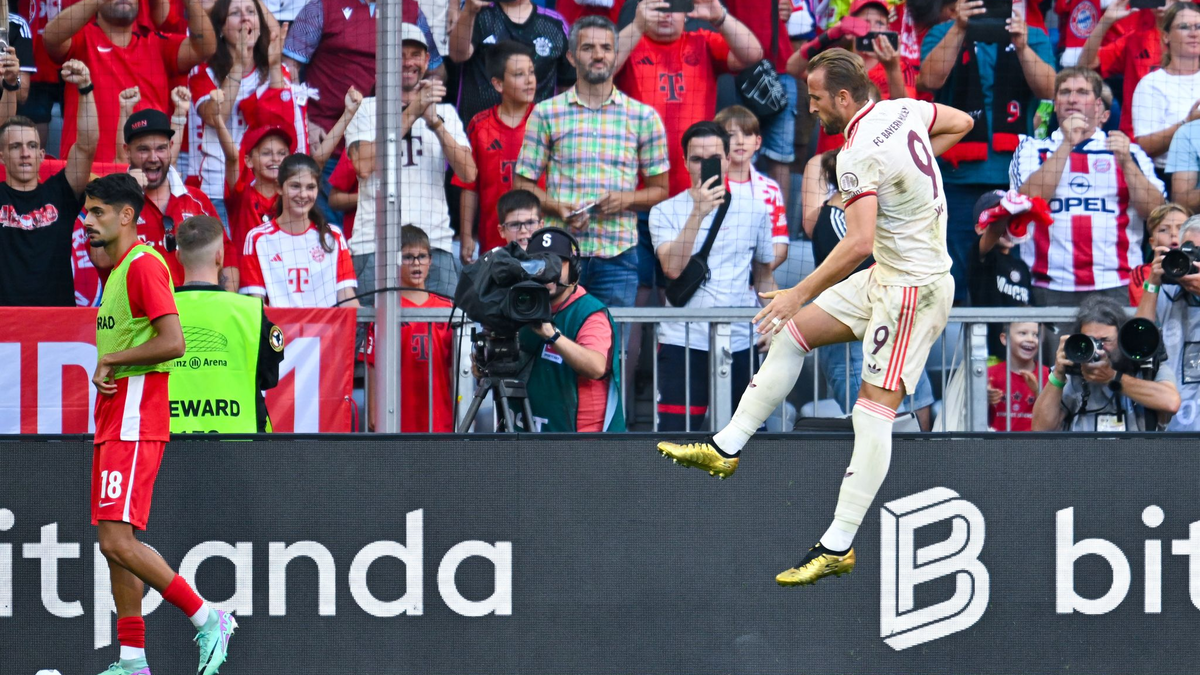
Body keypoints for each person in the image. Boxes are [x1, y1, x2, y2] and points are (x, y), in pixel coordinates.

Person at [656, 49, 974, 586]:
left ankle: (837, 544)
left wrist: (795, 292)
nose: (811, 107)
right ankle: (726, 447)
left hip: (911, 291)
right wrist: (909, 184)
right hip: (886, 277)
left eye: (817, 98)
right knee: (793, 336)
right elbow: (961, 123)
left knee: (872, 412)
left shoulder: (857, 155)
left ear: (845, 98)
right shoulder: (902, 111)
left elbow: (858, 243)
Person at [83, 173, 235, 675]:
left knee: (116, 542)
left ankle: (207, 616)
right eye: (86, 212)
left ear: (126, 216)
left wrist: (114, 360)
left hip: (134, 414)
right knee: (115, 548)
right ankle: (131, 660)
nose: (87, 221)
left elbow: (174, 342)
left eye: (97, 212)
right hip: (115, 416)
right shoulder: (121, 267)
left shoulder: (144, 266)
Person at [513, 15, 670, 310]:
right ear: (571, 57)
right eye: (588, 48)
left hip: (619, 255)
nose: (598, 55)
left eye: (606, 48)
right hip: (560, 255)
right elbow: (521, 183)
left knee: (612, 350)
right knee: (556, 348)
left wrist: (625, 200)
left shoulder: (644, 118)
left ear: (615, 54)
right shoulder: (546, 114)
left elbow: (660, 190)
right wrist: (558, 207)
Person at [919, 0, 1056, 304]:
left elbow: (1050, 91)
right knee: (950, 274)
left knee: (1008, 276)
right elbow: (929, 81)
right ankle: (956, 346)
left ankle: (1000, 347)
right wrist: (959, 28)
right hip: (954, 178)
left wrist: (1021, 46)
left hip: (1013, 180)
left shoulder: (1032, 35)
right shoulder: (942, 31)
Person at [650, 121, 775, 431]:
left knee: (747, 436)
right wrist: (698, 213)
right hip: (682, 338)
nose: (705, 166)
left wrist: (775, 324)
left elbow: (763, 276)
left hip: (739, 340)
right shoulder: (664, 211)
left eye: (713, 158)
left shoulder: (755, 209)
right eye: (696, 159)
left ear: (728, 159)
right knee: (676, 437)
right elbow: (673, 268)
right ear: (684, 162)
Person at [801, 147, 938, 425]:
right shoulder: (836, 221)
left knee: (918, 419)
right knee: (872, 433)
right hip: (855, 347)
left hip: (895, 336)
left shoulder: (871, 218)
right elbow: (877, 276)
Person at [1012, 67, 1165, 308]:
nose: (1072, 99)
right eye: (1064, 92)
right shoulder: (1032, 148)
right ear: (1055, 104)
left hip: (1117, 282)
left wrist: (1125, 161)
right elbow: (1029, 201)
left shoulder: (1130, 151)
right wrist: (1066, 145)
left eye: (1082, 92)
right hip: (1049, 284)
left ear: (1097, 106)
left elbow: (1156, 213)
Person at [614, 0, 763, 196]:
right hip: (640, 188)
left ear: (686, 14)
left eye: (674, 8)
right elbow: (603, 69)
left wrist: (721, 18)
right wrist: (637, 26)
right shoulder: (630, 44)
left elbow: (753, 55)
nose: (667, 15)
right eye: (659, 8)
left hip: (700, 186)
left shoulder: (702, 41)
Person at [43, 0, 217, 163]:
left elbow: (205, 48)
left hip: (147, 174)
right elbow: (51, 37)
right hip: (88, 175)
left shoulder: (157, 43)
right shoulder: (82, 39)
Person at [189, 0, 307, 222]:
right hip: (218, 190)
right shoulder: (203, 72)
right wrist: (238, 67)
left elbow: (283, 121)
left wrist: (273, 68)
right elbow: (216, 117)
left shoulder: (277, 71)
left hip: (265, 190)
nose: (245, 18)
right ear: (221, 30)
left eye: (250, 12)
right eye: (235, 13)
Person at [171, 215, 283, 433]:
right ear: (219, 256)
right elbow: (268, 378)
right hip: (241, 446)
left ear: (178, 256)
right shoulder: (251, 312)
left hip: (168, 446)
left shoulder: (154, 313)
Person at [0, 61, 96, 307]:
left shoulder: (60, 192)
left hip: (56, 325)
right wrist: (8, 85)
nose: (25, 153)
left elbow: (86, 146)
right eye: (15, 147)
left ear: (42, 155)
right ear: (2, 157)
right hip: (4, 324)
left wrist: (85, 88)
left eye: (32, 146)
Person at [516, 225, 625, 432]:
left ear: (574, 269)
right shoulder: (519, 303)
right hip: (529, 433)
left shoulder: (589, 312)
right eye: (539, 262)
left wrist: (553, 336)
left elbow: (596, 366)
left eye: (556, 262)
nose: (546, 270)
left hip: (581, 443)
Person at [398, 22, 476, 299]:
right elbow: (365, 165)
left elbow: (468, 174)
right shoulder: (368, 108)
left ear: (427, 60)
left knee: (446, 333)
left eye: (416, 54)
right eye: (400, 53)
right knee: (380, 333)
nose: (408, 62)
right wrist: (415, 109)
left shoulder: (444, 113)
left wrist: (435, 123)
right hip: (383, 246)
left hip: (436, 243)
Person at [123, 108, 240, 290]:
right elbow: (100, 258)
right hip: (138, 315)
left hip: (192, 312)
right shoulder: (114, 201)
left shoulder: (197, 200)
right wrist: (128, 196)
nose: (153, 158)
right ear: (127, 152)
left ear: (170, 147)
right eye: (143, 149)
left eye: (161, 148)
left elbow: (227, 252)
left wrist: (226, 302)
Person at [1033, 294, 1180, 430]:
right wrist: (1058, 374)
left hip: (1135, 455)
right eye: (1090, 340)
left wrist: (1113, 377)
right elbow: (1040, 428)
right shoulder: (1072, 372)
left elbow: (1171, 402)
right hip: (1085, 456)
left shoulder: (1145, 366)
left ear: (1122, 339)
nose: (1098, 348)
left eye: (1105, 340)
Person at [789, 0, 918, 155]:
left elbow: (909, 114)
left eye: (879, 22)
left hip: (880, 160)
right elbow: (792, 68)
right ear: (851, 25)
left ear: (888, 29)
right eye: (865, 22)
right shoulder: (835, 60)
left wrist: (892, 68)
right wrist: (831, 34)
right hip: (831, 159)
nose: (872, 28)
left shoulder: (901, 67)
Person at [363, 225, 456, 432]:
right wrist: (373, 409)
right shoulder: (385, 309)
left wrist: (461, 409)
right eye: (407, 257)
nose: (416, 263)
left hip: (439, 415)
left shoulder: (446, 308)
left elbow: (454, 367)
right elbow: (373, 365)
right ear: (395, 261)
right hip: (397, 417)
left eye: (422, 256)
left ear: (430, 260)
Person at [454, 40, 539, 265]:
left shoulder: (545, 120)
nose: (529, 80)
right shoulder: (480, 125)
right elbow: (469, 185)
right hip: (493, 244)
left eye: (531, 72)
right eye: (519, 74)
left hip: (540, 243)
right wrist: (465, 236)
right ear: (498, 84)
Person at [240, 152, 359, 307]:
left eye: (310, 187)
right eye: (295, 186)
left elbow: (347, 299)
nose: (303, 194)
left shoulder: (333, 236)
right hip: (278, 331)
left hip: (326, 331)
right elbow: (257, 306)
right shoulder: (257, 238)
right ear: (279, 188)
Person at [447, 0, 573, 126]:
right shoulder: (480, 14)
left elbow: (568, 85)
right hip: (477, 136)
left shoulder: (554, 23)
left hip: (535, 135)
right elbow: (457, 55)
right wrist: (469, 11)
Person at [1078, 0, 1181, 138]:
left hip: (1183, 137)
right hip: (1135, 141)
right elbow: (1085, 66)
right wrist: (1105, 21)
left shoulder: (1194, 42)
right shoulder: (1134, 40)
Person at [1136, 214, 1200, 429]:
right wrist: (1153, 282)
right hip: (1173, 427)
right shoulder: (1165, 290)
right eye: (1189, 252)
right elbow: (1138, 343)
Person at [715, 104, 790, 269]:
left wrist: (754, 275)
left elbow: (780, 244)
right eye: (731, 135)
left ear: (757, 142)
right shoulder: (708, 185)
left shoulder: (770, 189)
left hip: (754, 281)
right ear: (718, 141)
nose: (740, 141)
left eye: (747, 134)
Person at [1129, 3, 1200, 168]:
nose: (1194, 33)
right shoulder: (1151, 84)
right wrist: (1186, 124)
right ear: (1166, 36)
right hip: (1169, 172)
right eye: (1184, 27)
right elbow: (1146, 146)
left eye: (1198, 26)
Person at [987, 321, 1050, 431]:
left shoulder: (1048, 375)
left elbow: (1052, 417)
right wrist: (984, 398)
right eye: (1023, 333)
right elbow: (975, 417)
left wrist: (1037, 391)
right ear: (1004, 339)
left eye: (1036, 335)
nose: (1030, 339)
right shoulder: (990, 374)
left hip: (1035, 444)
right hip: (997, 444)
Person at [1130, 203, 1190, 305]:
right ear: (1152, 243)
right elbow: (1142, 315)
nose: (1173, 234)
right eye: (1163, 230)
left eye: (1181, 229)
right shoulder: (1141, 273)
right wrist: (1153, 281)